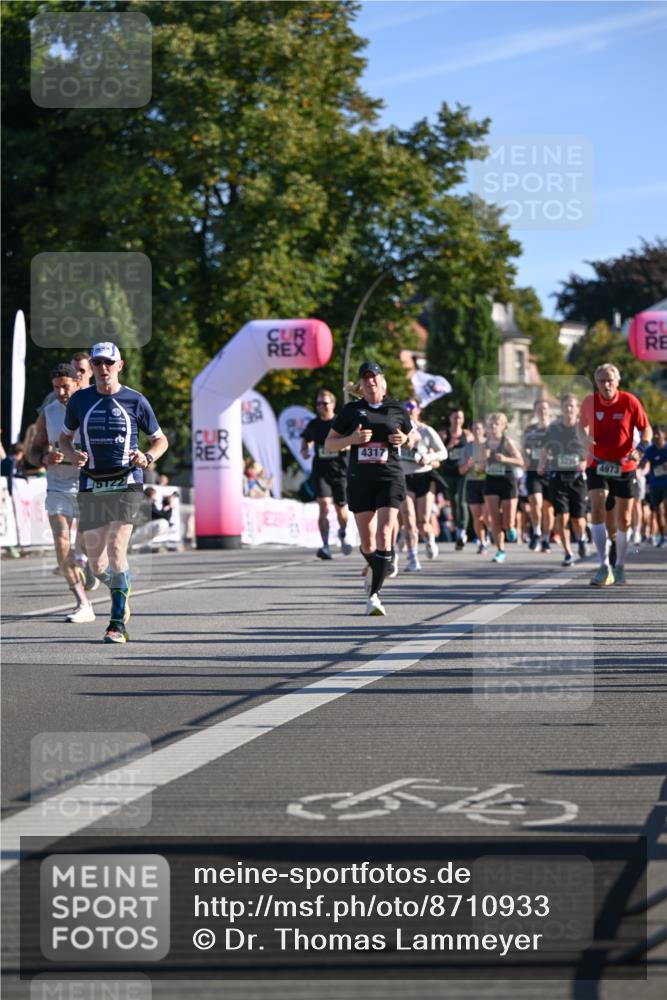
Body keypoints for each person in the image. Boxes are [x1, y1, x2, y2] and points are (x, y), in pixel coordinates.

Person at [59, 341, 169, 642]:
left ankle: (117, 623)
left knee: (117, 548)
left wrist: (147, 457)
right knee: (96, 563)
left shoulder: (135, 400)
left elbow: (161, 440)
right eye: (97, 363)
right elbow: (65, 438)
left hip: (126, 481)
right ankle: (122, 586)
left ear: (120, 366)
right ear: (92, 367)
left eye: (109, 363)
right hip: (92, 482)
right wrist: (71, 454)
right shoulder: (80, 400)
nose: (103, 368)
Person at [325, 361, 411, 616]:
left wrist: (404, 439)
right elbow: (329, 444)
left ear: (383, 382)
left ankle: (374, 595)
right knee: (368, 543)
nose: (370, 380)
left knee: (385, 532)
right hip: (360, 479)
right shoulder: (351, 410)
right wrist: (352, 439)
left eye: (374, 376)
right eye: (366, 377)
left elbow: (411, 436)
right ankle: (379, 565)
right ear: (361, 384)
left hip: (389, 477)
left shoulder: (397, 408)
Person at [26, 363, 96, 622]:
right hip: (58, 487)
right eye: (56, 388)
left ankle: (90, 567)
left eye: (65, 387)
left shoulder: (92, 408)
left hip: (89, 485)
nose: (61, 393)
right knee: (61, 542)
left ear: (78, 383)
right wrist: (45, 458)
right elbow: (32, 453)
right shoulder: (49, 413)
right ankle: (82, 603)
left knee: (88, 545)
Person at [578, 363, 651, 586]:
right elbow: (580, 426)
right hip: (597, 463)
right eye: (601, 381)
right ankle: (603, 566)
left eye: (610, 380)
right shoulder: (589, 402)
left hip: (624, 465)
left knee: (624, 519)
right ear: (596, 383)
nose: (606, 385)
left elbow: (646, 428)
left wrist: (640, 449)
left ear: (617, 382)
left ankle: (619, 564)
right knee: (597, 506)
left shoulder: (630, 401)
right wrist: (583, 438)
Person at [538, 394, 589, 567]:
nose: (569, 409)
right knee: (562, 516)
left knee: (578, 520)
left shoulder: (583, 428)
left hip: (577, 479)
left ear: (577, 409)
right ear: (561, 408)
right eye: (566, 406)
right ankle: (568, 553)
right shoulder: (553, 429)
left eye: (572, 406)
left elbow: (592, 449)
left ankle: (582, 538)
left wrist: (585, 462)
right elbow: (544, 449)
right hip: (558, 478)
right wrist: (541, 464)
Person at [300, 391, 352, 559]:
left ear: (333, 404)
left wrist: (345, 445)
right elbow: (306, 438)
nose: (321, 406)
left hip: (340, 472)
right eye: (318, 404)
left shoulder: (340, 422)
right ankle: (325, 545)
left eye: (325, 403)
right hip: (320, 471)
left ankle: (343, 532)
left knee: (341, 510)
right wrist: (304, 449)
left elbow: (353, 440)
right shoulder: (314, 424)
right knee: (323, 505)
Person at [402, 399, 448, 566]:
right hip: (404, 477)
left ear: (418, 410)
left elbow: (443, 452)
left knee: (422, 522)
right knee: (408, 519)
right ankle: (413, 557)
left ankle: (429, 539)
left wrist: (429, 457)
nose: (408, 410)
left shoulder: (426, 431)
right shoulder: (398, 431)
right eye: (405, 407)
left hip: (424, 477)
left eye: (411, 407)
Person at [483, 412, 524, 563]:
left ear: (503, 427)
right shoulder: (484, 444)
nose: (493, 427)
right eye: (490, 424)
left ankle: (511, 527)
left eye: (496, 424)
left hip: (507, 482)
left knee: (508, 521)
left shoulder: (507, 442)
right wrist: (482, 460)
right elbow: (479, 467)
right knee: (495, 519)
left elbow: (521, 461)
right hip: (491, 481)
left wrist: (505, 459)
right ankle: (500, 550)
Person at [523, 399, 555, 552]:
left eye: (545, 408)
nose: (542, 411)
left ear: (549, 411)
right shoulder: (530, 430)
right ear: (535, 412)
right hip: (533, 471)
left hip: (551, 472)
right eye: (539, 409)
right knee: (535, 502)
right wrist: (526, 456)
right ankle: (536, 532)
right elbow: (526, 448)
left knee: (548, 509)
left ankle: (546, 538)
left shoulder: (555, 429)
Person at [441, 409, 472, 549]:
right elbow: (437, 452)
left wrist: (469, 463)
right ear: (450, 419)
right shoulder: (444, 434)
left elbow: (474, 449)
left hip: (463, 472)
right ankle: (458, 529)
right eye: (455, 417)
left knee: (461, 500)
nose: (458, 420)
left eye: (460, 417)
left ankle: (462, 532)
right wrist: (448, 447)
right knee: (453, 502)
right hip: (448, 472)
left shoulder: (467, 435)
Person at [458, 420, 489, 553]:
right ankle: (482, 542)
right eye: (474, 429)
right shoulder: (466, 448)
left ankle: (491, 531)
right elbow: (461, 471)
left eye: (479, 428)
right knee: (477, 516)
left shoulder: (490, 445)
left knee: (487, 516)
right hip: (472, 482)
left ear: (484, 430)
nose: (477, 431)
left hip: (488, 482)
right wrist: (468, 465)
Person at [640, 424, 667, 547]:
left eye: (658, 434)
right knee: (658, 511)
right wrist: (642, 462)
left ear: (664, 435)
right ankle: (663, 536)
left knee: (665, 507)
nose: (655, 436)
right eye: (654, 434)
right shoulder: (650, 450)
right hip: (655, 485)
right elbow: (643, 463)